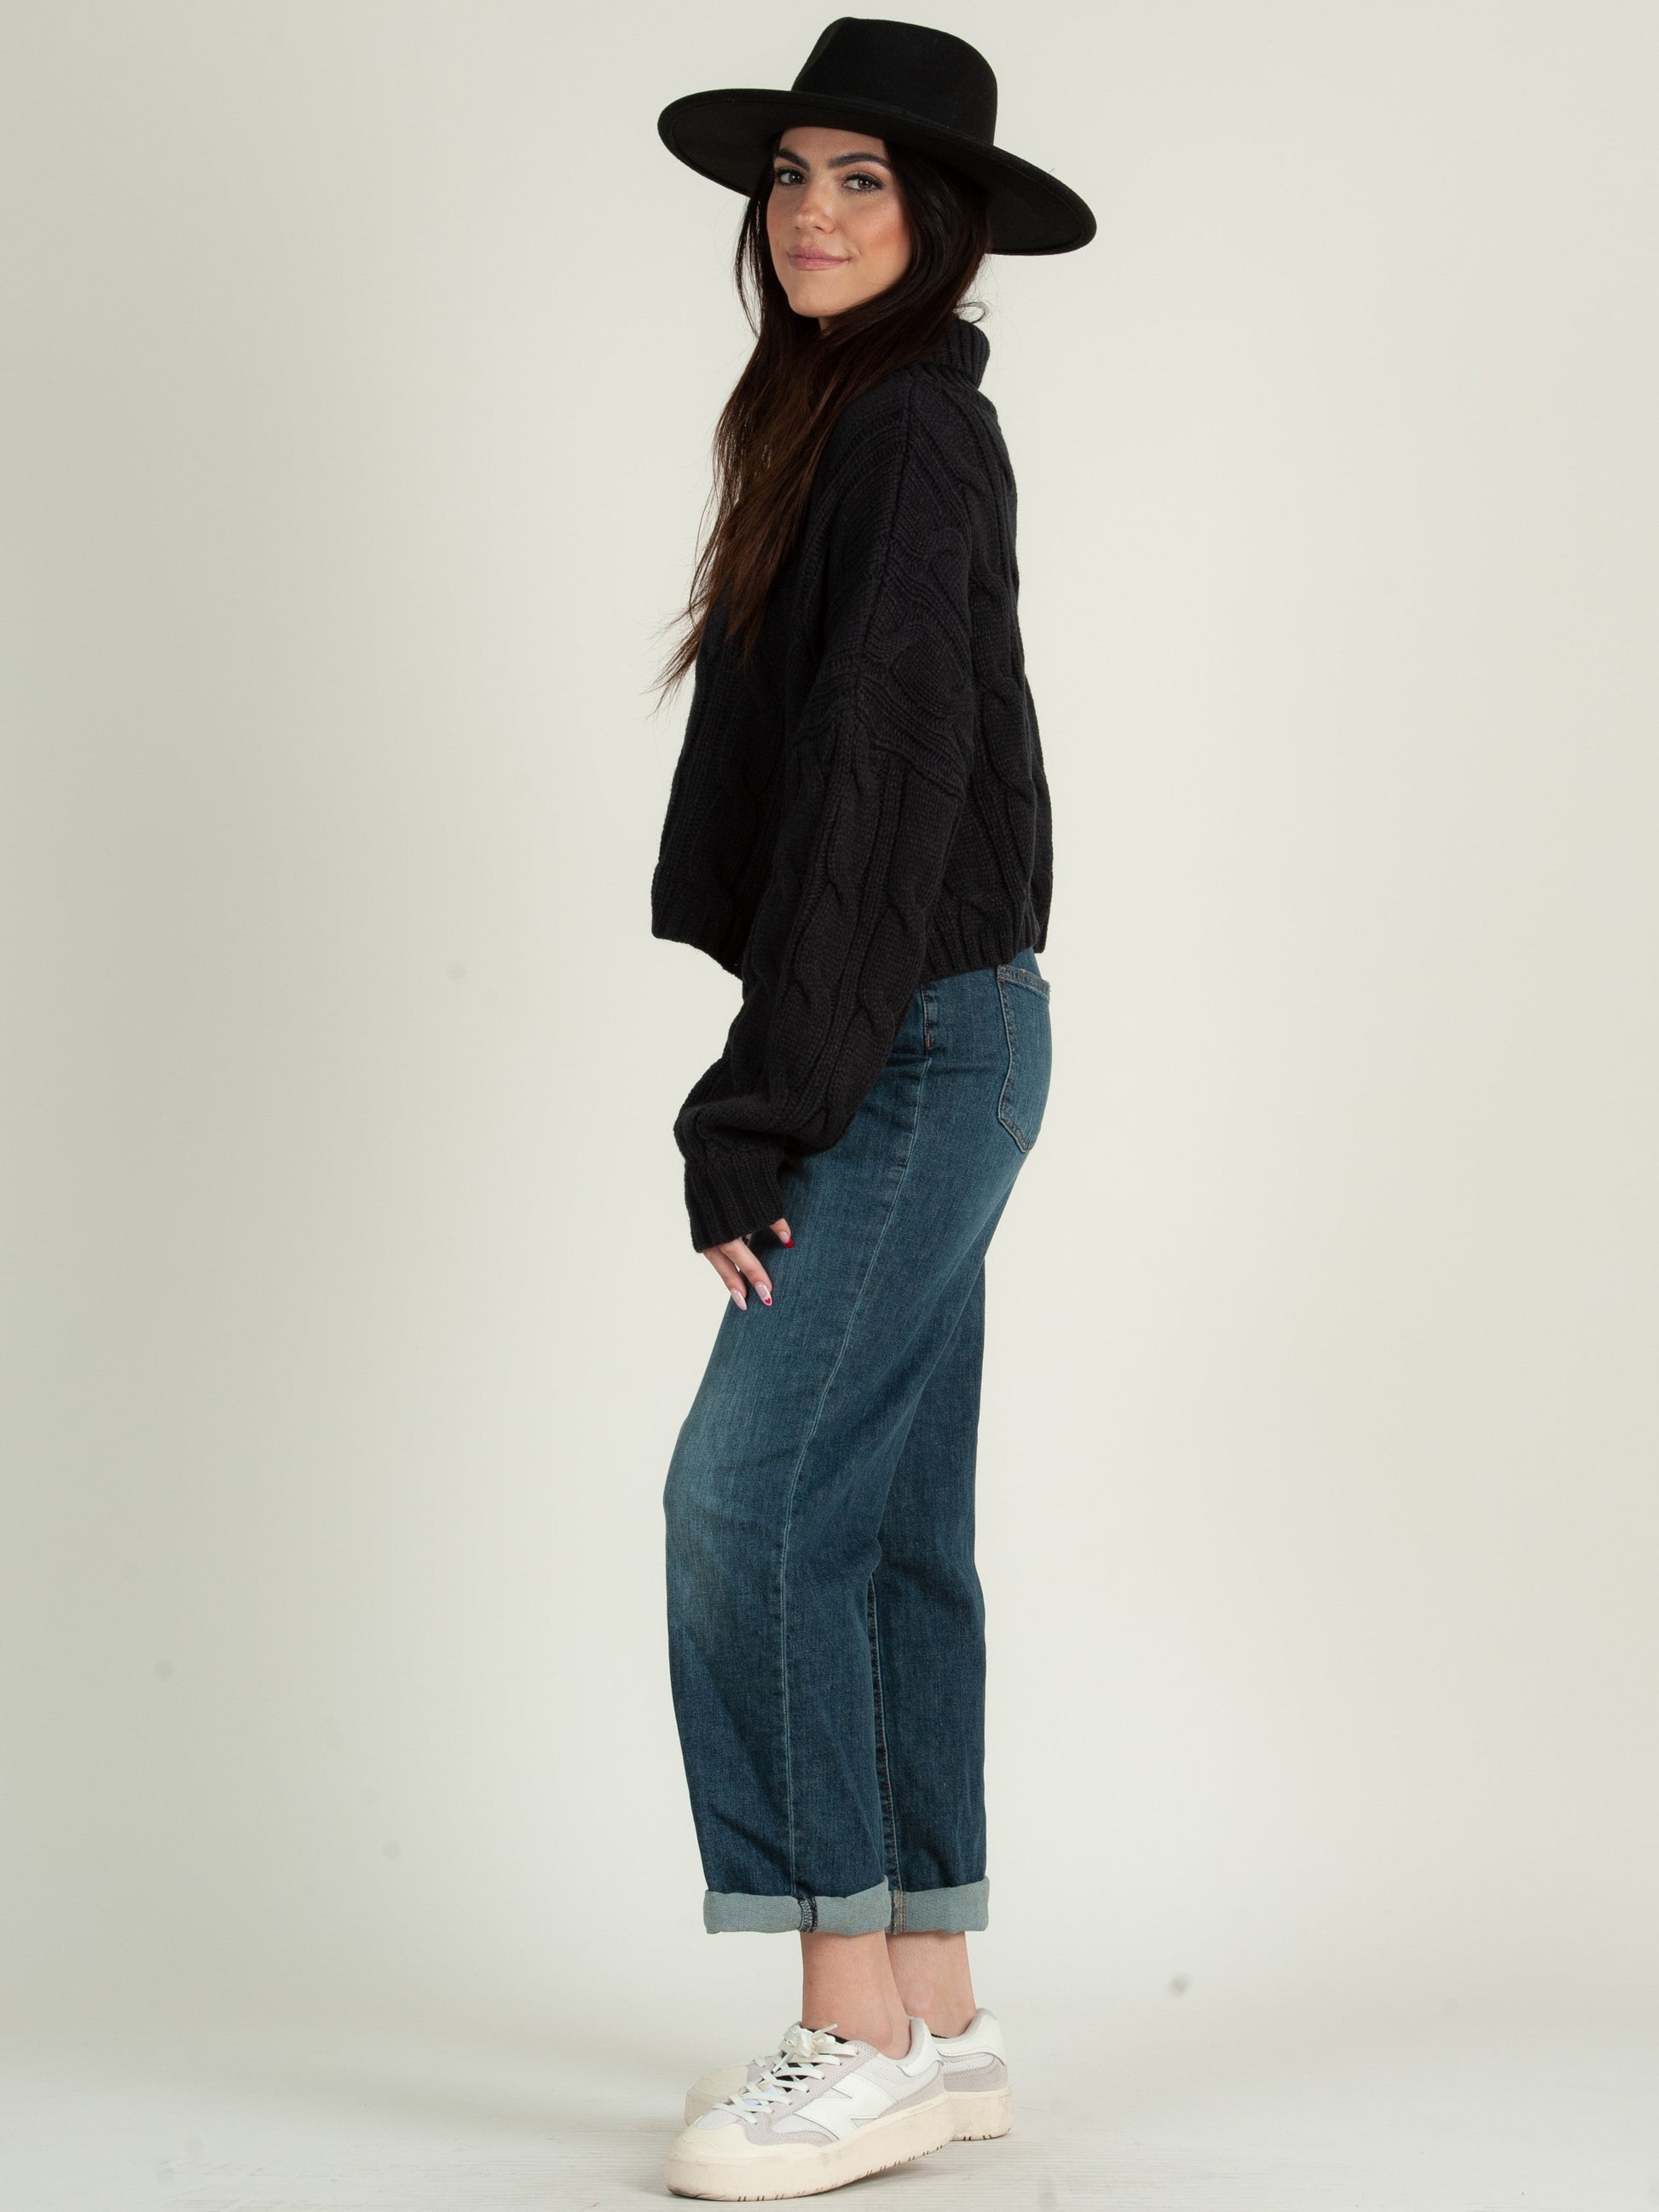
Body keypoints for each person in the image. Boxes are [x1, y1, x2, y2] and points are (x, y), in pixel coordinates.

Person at [648, 19, 1093, 2200]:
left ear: (941, 224)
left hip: (905, 1040)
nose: (813, 213)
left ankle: (851, 2035)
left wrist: (759, 1108)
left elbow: (880, 793)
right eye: (793, 175)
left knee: (749, 1509)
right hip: (939, 1029)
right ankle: (933, 2000)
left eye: (864, 181)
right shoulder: (850, 422)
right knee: (887, 1518)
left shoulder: (910, 432)